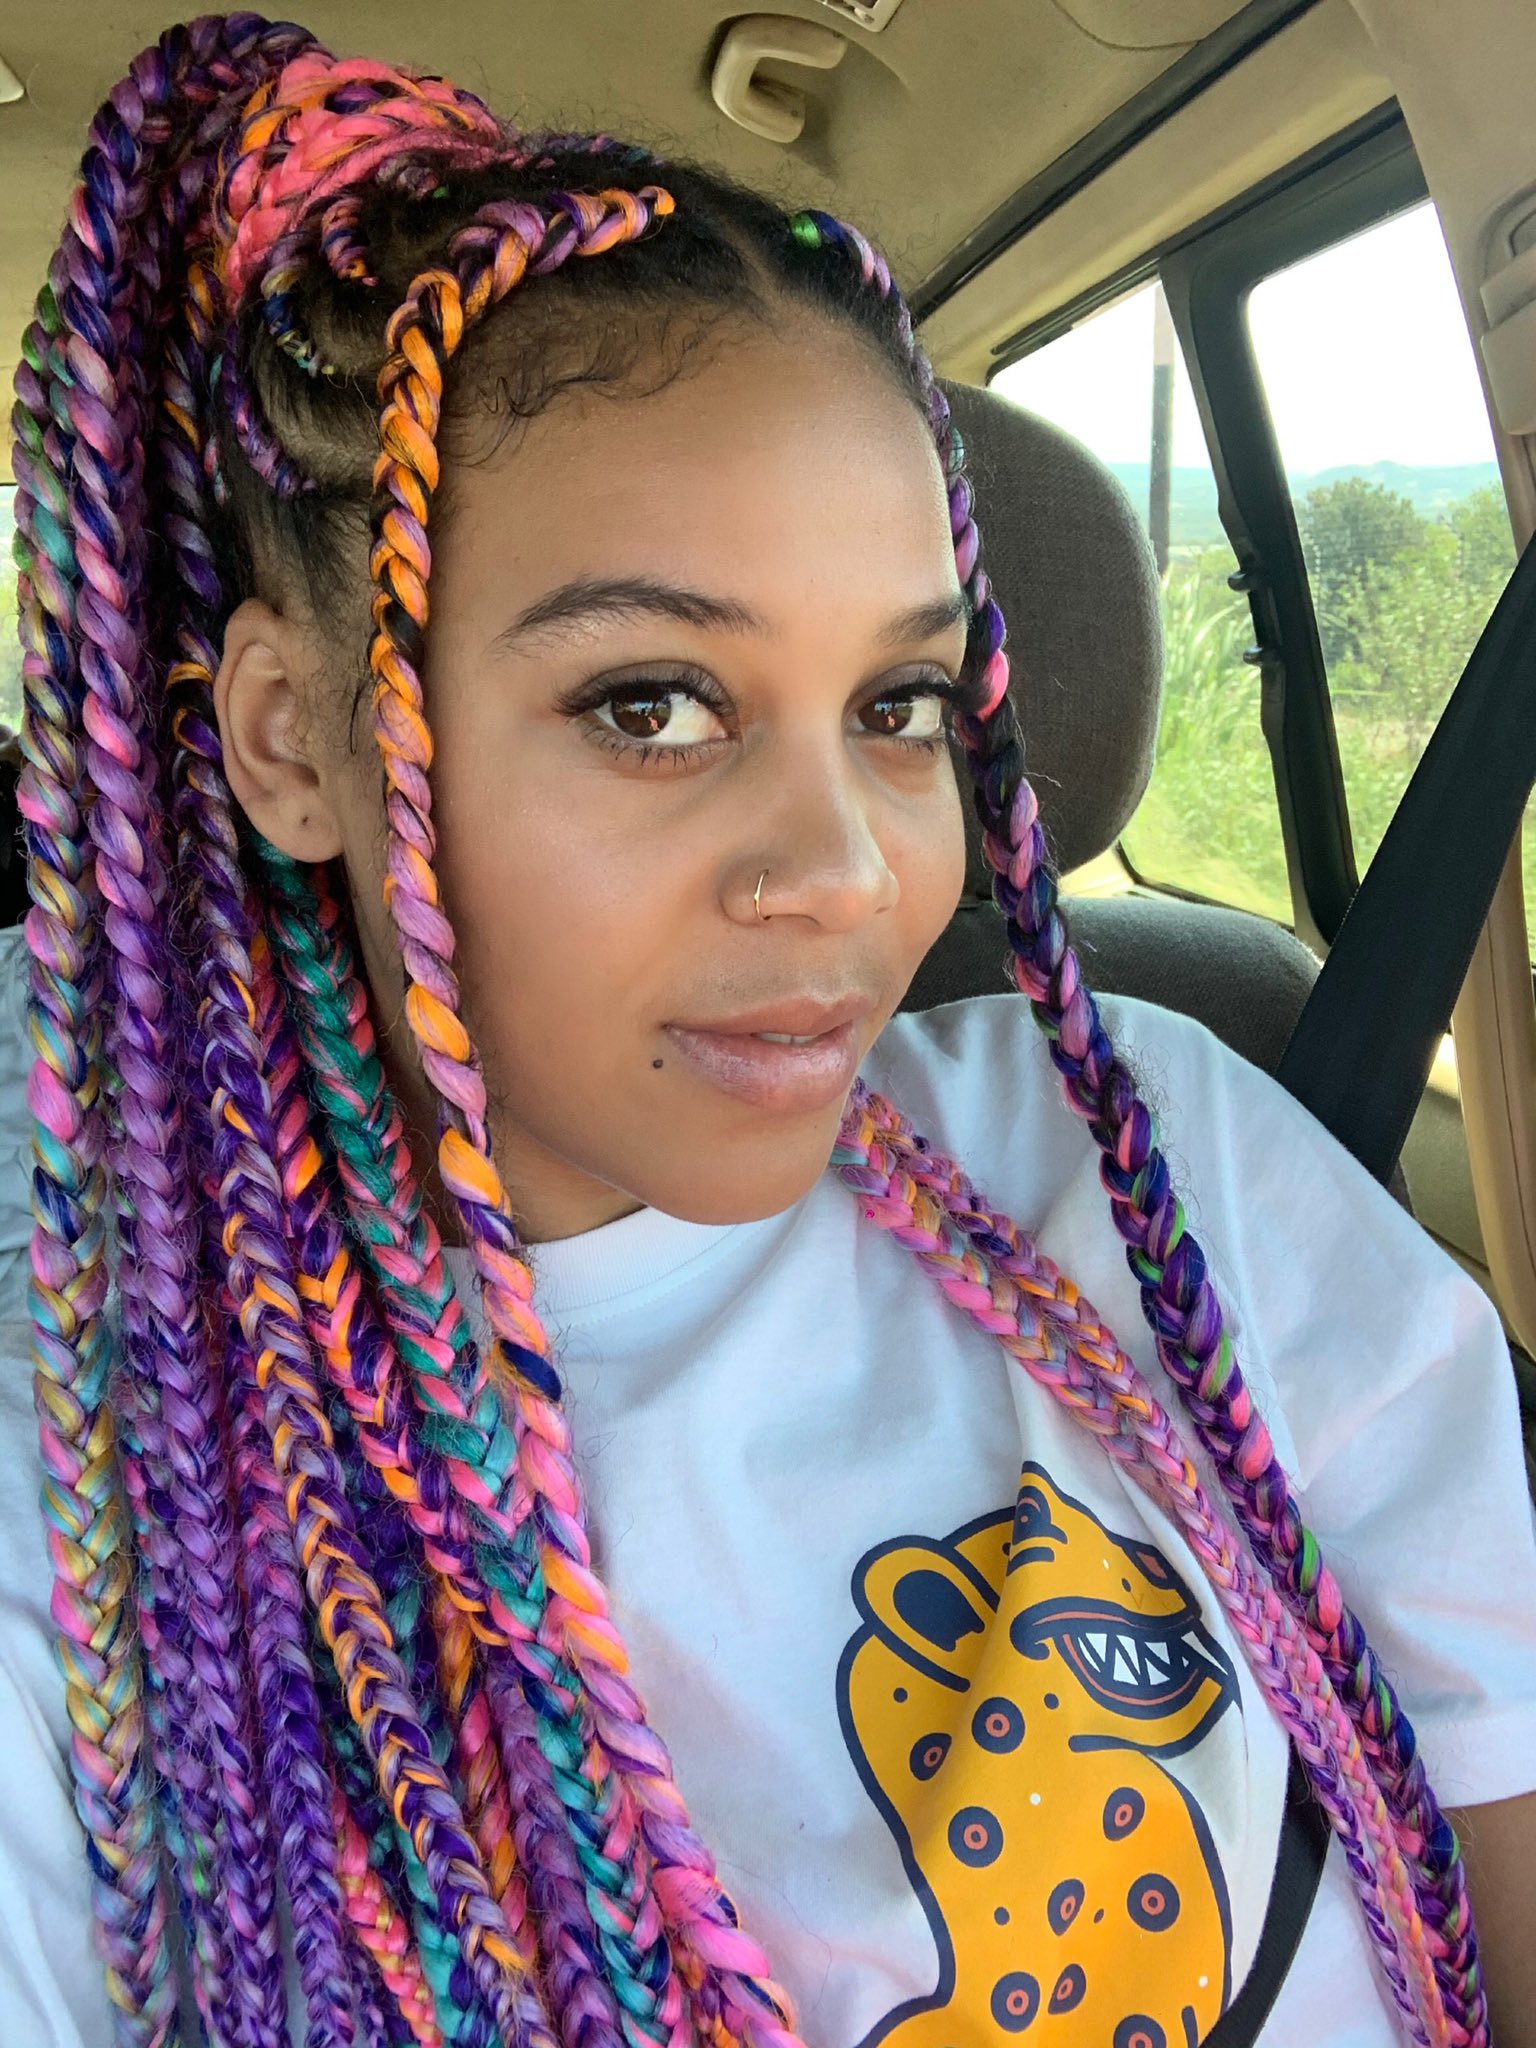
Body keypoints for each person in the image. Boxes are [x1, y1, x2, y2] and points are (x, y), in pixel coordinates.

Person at [5, 15, 1534, 2048]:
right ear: (293, 742)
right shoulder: (97, 1509)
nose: (847, 870)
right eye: (651, 705)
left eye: (900, 707)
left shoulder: (1158, 1159)